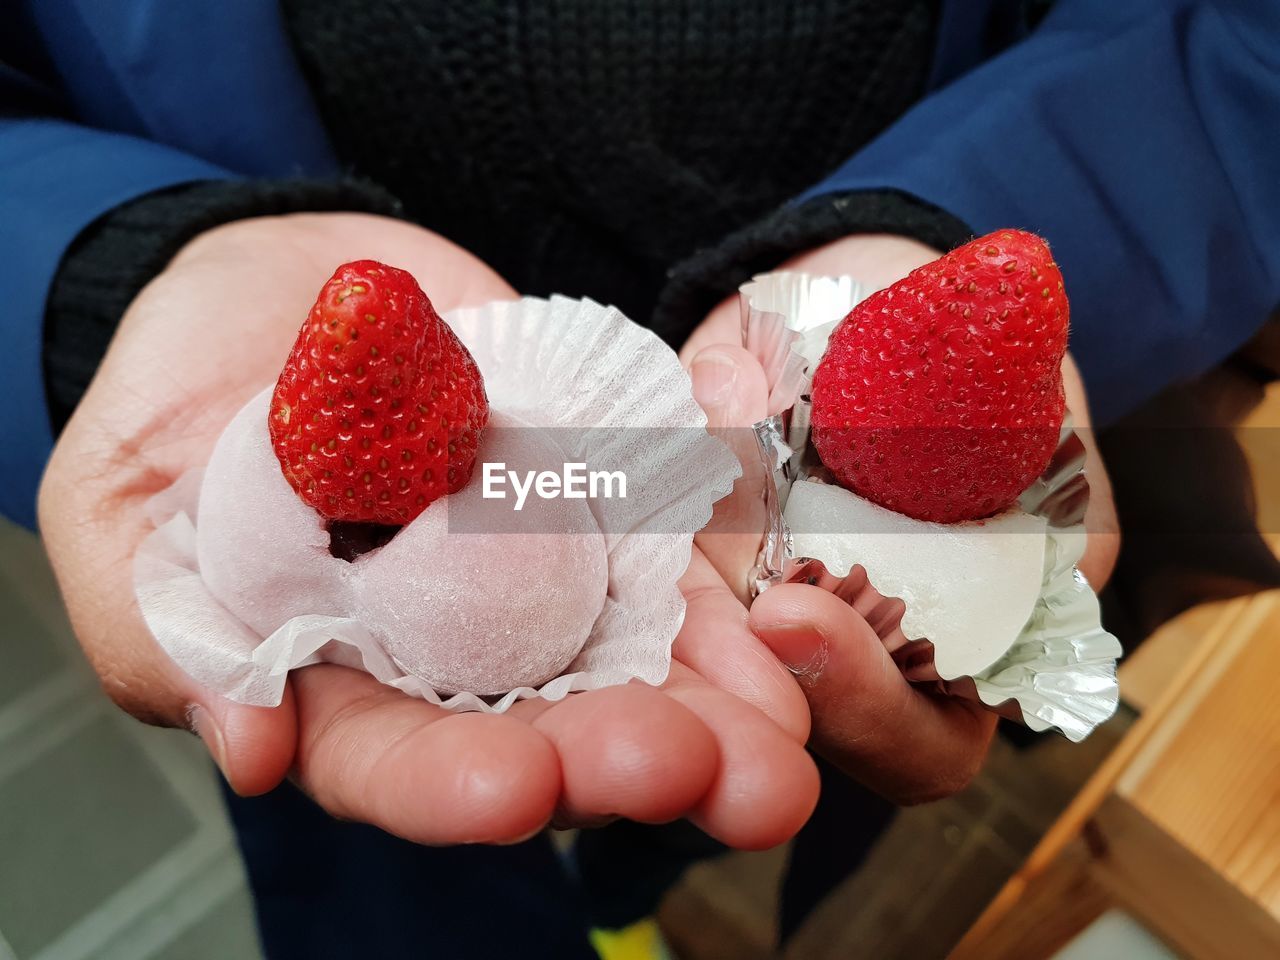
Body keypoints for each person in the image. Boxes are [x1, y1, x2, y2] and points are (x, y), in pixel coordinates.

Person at [4, 1, 1277, 957]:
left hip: (797, 427)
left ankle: (630, 897)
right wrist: (107, 274)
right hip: (316, 554)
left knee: (728, 748)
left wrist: (962, 217)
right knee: (399, 842)